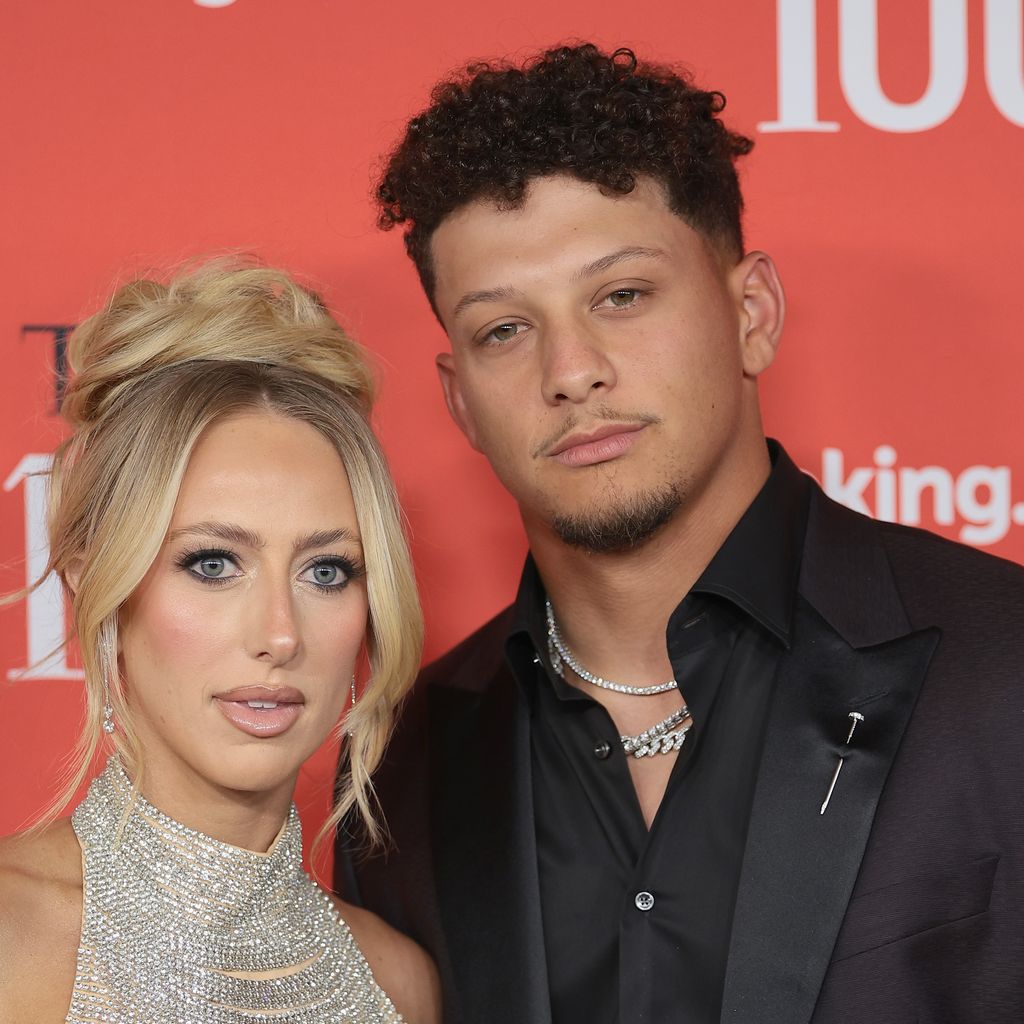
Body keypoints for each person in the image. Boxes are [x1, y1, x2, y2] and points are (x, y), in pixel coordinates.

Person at [334, 43, 1024, 1024]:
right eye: (503, 329)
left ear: (752, 313)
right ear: (458, 402)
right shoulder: (398, 778)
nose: (570, 370)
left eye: (621, 295)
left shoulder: (1003, 668)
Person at [0, 262, 442, 1023]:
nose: (278, 633)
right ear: (93, 586)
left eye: (327, 571)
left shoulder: (398, 981)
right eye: (212, 563)